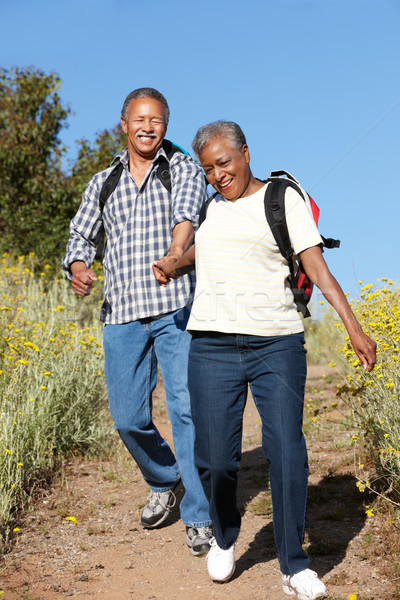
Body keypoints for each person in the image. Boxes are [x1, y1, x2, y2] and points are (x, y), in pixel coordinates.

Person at [153, 120, 377, 599]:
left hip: (276, 342)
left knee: (287, 453)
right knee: (215, 460)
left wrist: (352, 326)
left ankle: (294, 564)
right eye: (209, 169)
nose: (218, 175)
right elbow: (211, 249)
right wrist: (176, 261)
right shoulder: (211, 209)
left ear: (246, 153)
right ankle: (225, 534)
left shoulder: (282, 198)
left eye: (225, 163)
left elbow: (316, 265)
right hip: (211, 345)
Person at [62, 88, 213, 556]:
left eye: (158, 121)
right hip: (123, 312)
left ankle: (200, 515)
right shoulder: (103, 180)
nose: (148, 127)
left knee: (188, 410)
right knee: (128, 418)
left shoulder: (182, 168)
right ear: (124, 124)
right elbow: (81, 233)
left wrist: (175, 252)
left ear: (166, 126)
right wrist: (78, 267)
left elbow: (187, 215)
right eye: (140, 119)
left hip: (177, 307)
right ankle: (166, 479)